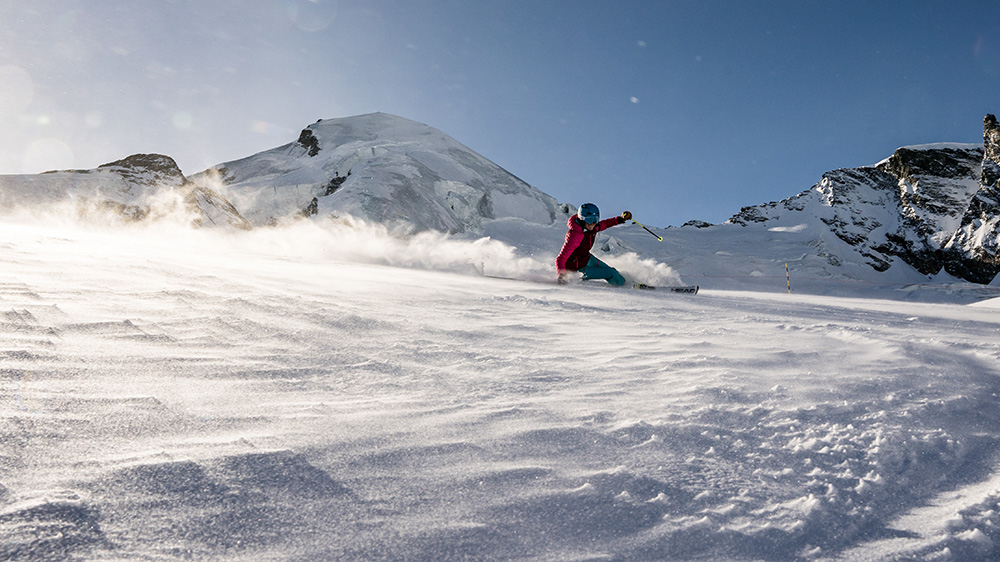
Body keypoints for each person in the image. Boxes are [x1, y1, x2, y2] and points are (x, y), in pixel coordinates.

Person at [555, 203, 632, 286]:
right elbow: (561, 259)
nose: (592, 223)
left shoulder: (593, 228)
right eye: (589, 219)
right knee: (611, 273)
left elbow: (605, 224)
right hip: (578, 269)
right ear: (582, 219)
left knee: (611, 270)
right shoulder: (576, 235)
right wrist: (562, 276)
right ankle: (626, 288)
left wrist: (619, 219)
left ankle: (625, 282)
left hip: (586, 258)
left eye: (595, 219)